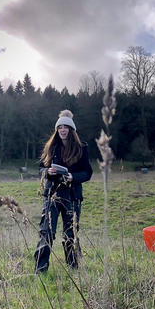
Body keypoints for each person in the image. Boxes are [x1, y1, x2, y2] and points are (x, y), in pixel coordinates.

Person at [34, 109, 93, 273]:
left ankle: (74, 269)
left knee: (70, 234)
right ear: (57, 130)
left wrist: (73, 177)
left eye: (66, 127)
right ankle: (40, 270)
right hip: (52, 195)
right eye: (60, 127)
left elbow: (87, 172)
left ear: (71, 130)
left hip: (72, 196)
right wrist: (47, 172)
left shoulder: (81, 148)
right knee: (46, 232)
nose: (63, 130)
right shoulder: (51, 147)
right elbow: (40, 168)